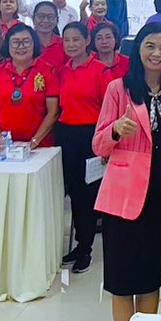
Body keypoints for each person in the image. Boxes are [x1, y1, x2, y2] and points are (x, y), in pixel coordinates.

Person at [94, 22, 161, 321]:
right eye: (150, 46)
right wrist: (116, 130)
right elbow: (98, 145)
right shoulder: (118, 89)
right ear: (138, 49)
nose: (156, 53)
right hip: (123, 199)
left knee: (150, 279)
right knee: (121, 283)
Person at [55, 22, 106, 273]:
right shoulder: (62, 71)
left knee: (88, 194)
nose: (71, 44)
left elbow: (109, 109)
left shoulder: (100, 71)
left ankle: (85, 248)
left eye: (76, 39)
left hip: (90, 136)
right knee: (73, 192)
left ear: (87, 41)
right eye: (67, 40)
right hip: (66, 134)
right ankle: (78, 244)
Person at [0, 23, 60, 149]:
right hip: (1, 147)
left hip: (38, 147)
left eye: (26, 42)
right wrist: (3, 141)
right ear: (8, 45)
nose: (21, 47)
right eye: (15, 42)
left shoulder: (48, 71)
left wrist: (34, 142)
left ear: (34, 44)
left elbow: (53, 112)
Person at [31, 0, 67, 71]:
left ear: (57, 20)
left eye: (50, 17)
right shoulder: (25, 43)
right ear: (33, 19)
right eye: (41, 16)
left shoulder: (64, 44)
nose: (45, 20)